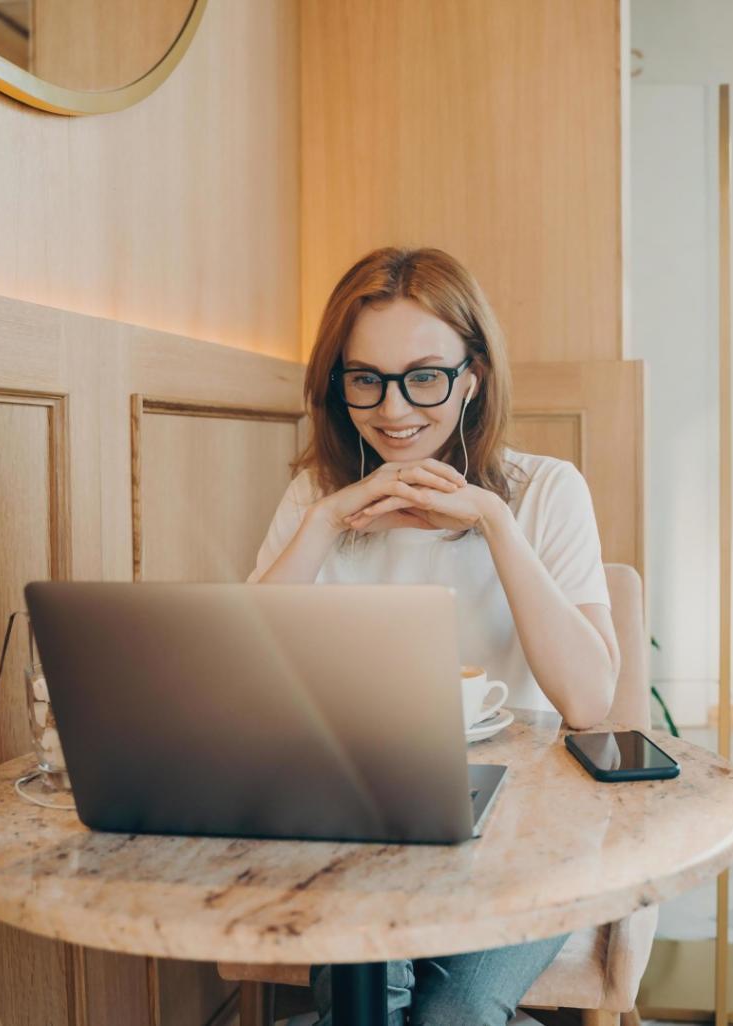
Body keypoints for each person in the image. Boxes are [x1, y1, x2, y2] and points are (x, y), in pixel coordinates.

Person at [248, 246, 620, 1025]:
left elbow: (588, 700)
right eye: (365, 379)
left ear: (471, 376)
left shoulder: (545, 490)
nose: (393, 410)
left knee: (452, 1013)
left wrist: (493, 521)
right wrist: (323, 518)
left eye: (424, 376)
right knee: (363, 999)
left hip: (523, 831)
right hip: (354, 820)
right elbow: (237, 679)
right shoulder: (312, 499)